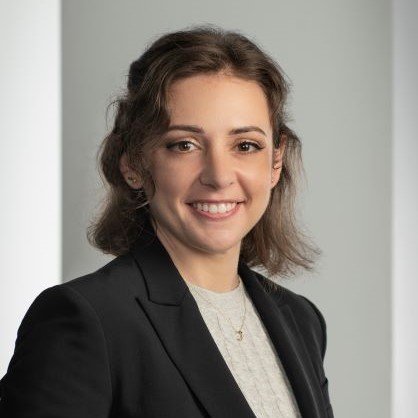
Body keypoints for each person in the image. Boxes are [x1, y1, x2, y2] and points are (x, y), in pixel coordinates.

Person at [0, 25, 334, 418]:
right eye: (184, 145)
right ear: (133, 164)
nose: (219, 176)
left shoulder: (301, 320)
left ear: (275, 162)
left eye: (245, 145)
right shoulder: (86, 320)